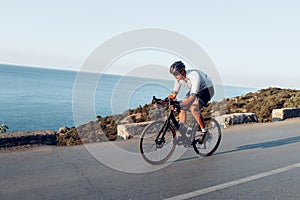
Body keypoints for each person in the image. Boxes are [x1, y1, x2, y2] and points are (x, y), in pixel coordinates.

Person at [168, 61, 214, 136]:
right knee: (182, 108)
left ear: (182, 71)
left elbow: (193, 96)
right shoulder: (178, 79)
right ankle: (183, 130)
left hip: (207, 90)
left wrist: (180, 104)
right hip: (195, 90)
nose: (174, 76)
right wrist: (162, 101)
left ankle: (204, 132)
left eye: (175, 74)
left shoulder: (193, 75)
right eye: (173, 74)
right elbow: (173, 94)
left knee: (194, 108)